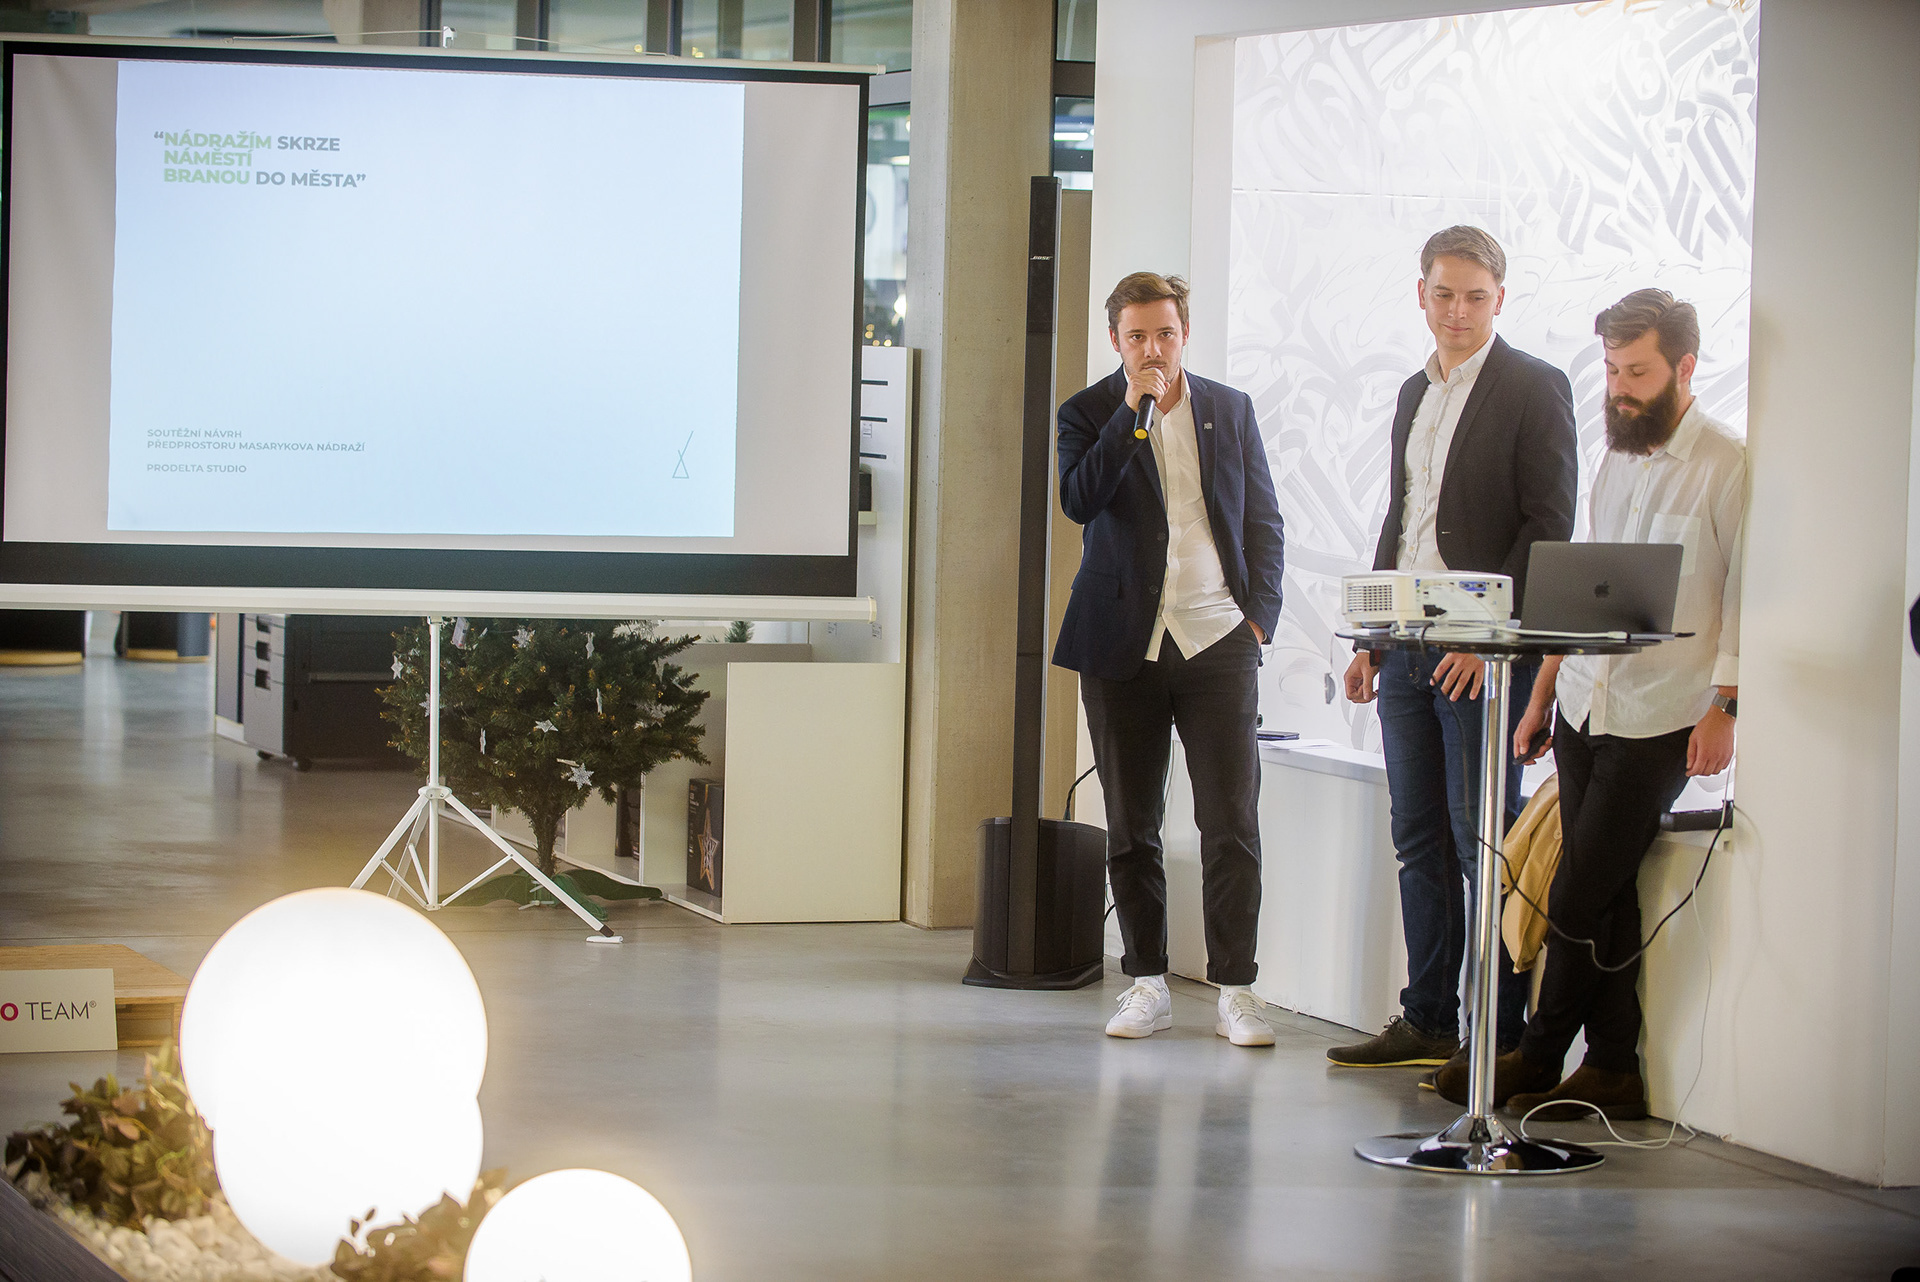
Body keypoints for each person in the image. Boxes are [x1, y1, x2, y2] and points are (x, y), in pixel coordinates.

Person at [1435, 288, 1744, 1118]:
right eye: (1611, 370)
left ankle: (1536, 1057)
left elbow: (1745, 596)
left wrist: (1728, 705)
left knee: (1574, 893)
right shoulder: (1616, 458)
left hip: (1663, 714)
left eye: (1636, 372)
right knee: (1606, 894)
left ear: (1684, 367)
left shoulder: (1728, 464)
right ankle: (1612, 1067)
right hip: (1581, 704)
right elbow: (1586, 593)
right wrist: (1542, 691)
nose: (1619, 389)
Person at [1330, 226, 1578, 1070]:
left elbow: (1549, 526)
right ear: (1422, 295)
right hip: (1405, 646)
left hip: (1480, 656)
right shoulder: (1415, 391)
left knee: (1484, 842)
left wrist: (1489, 636)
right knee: (1419, 840)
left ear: (1500, 298)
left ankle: (1497, 1038)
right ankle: (1429, 1018)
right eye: (1444, 294)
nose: (1458, 311)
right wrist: (1371, 639)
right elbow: (1403, 520)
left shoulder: (1535, 387)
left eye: (1476, 296)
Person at [1052, 272, 1285, 1047]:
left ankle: (1237, 991)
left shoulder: (1230, 409)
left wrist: (1259, 621)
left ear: (1185, 334)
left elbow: (1264, 520)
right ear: (1115, 341)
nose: (1153, 349)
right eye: (1137, 337)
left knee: (1231, 823)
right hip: (1124, 643)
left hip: (1218, 639)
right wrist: (1131, 415)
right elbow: (1079, 500)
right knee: (1131, 823)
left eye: (1165, 334)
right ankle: (1147, 983)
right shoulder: (1088, 412)